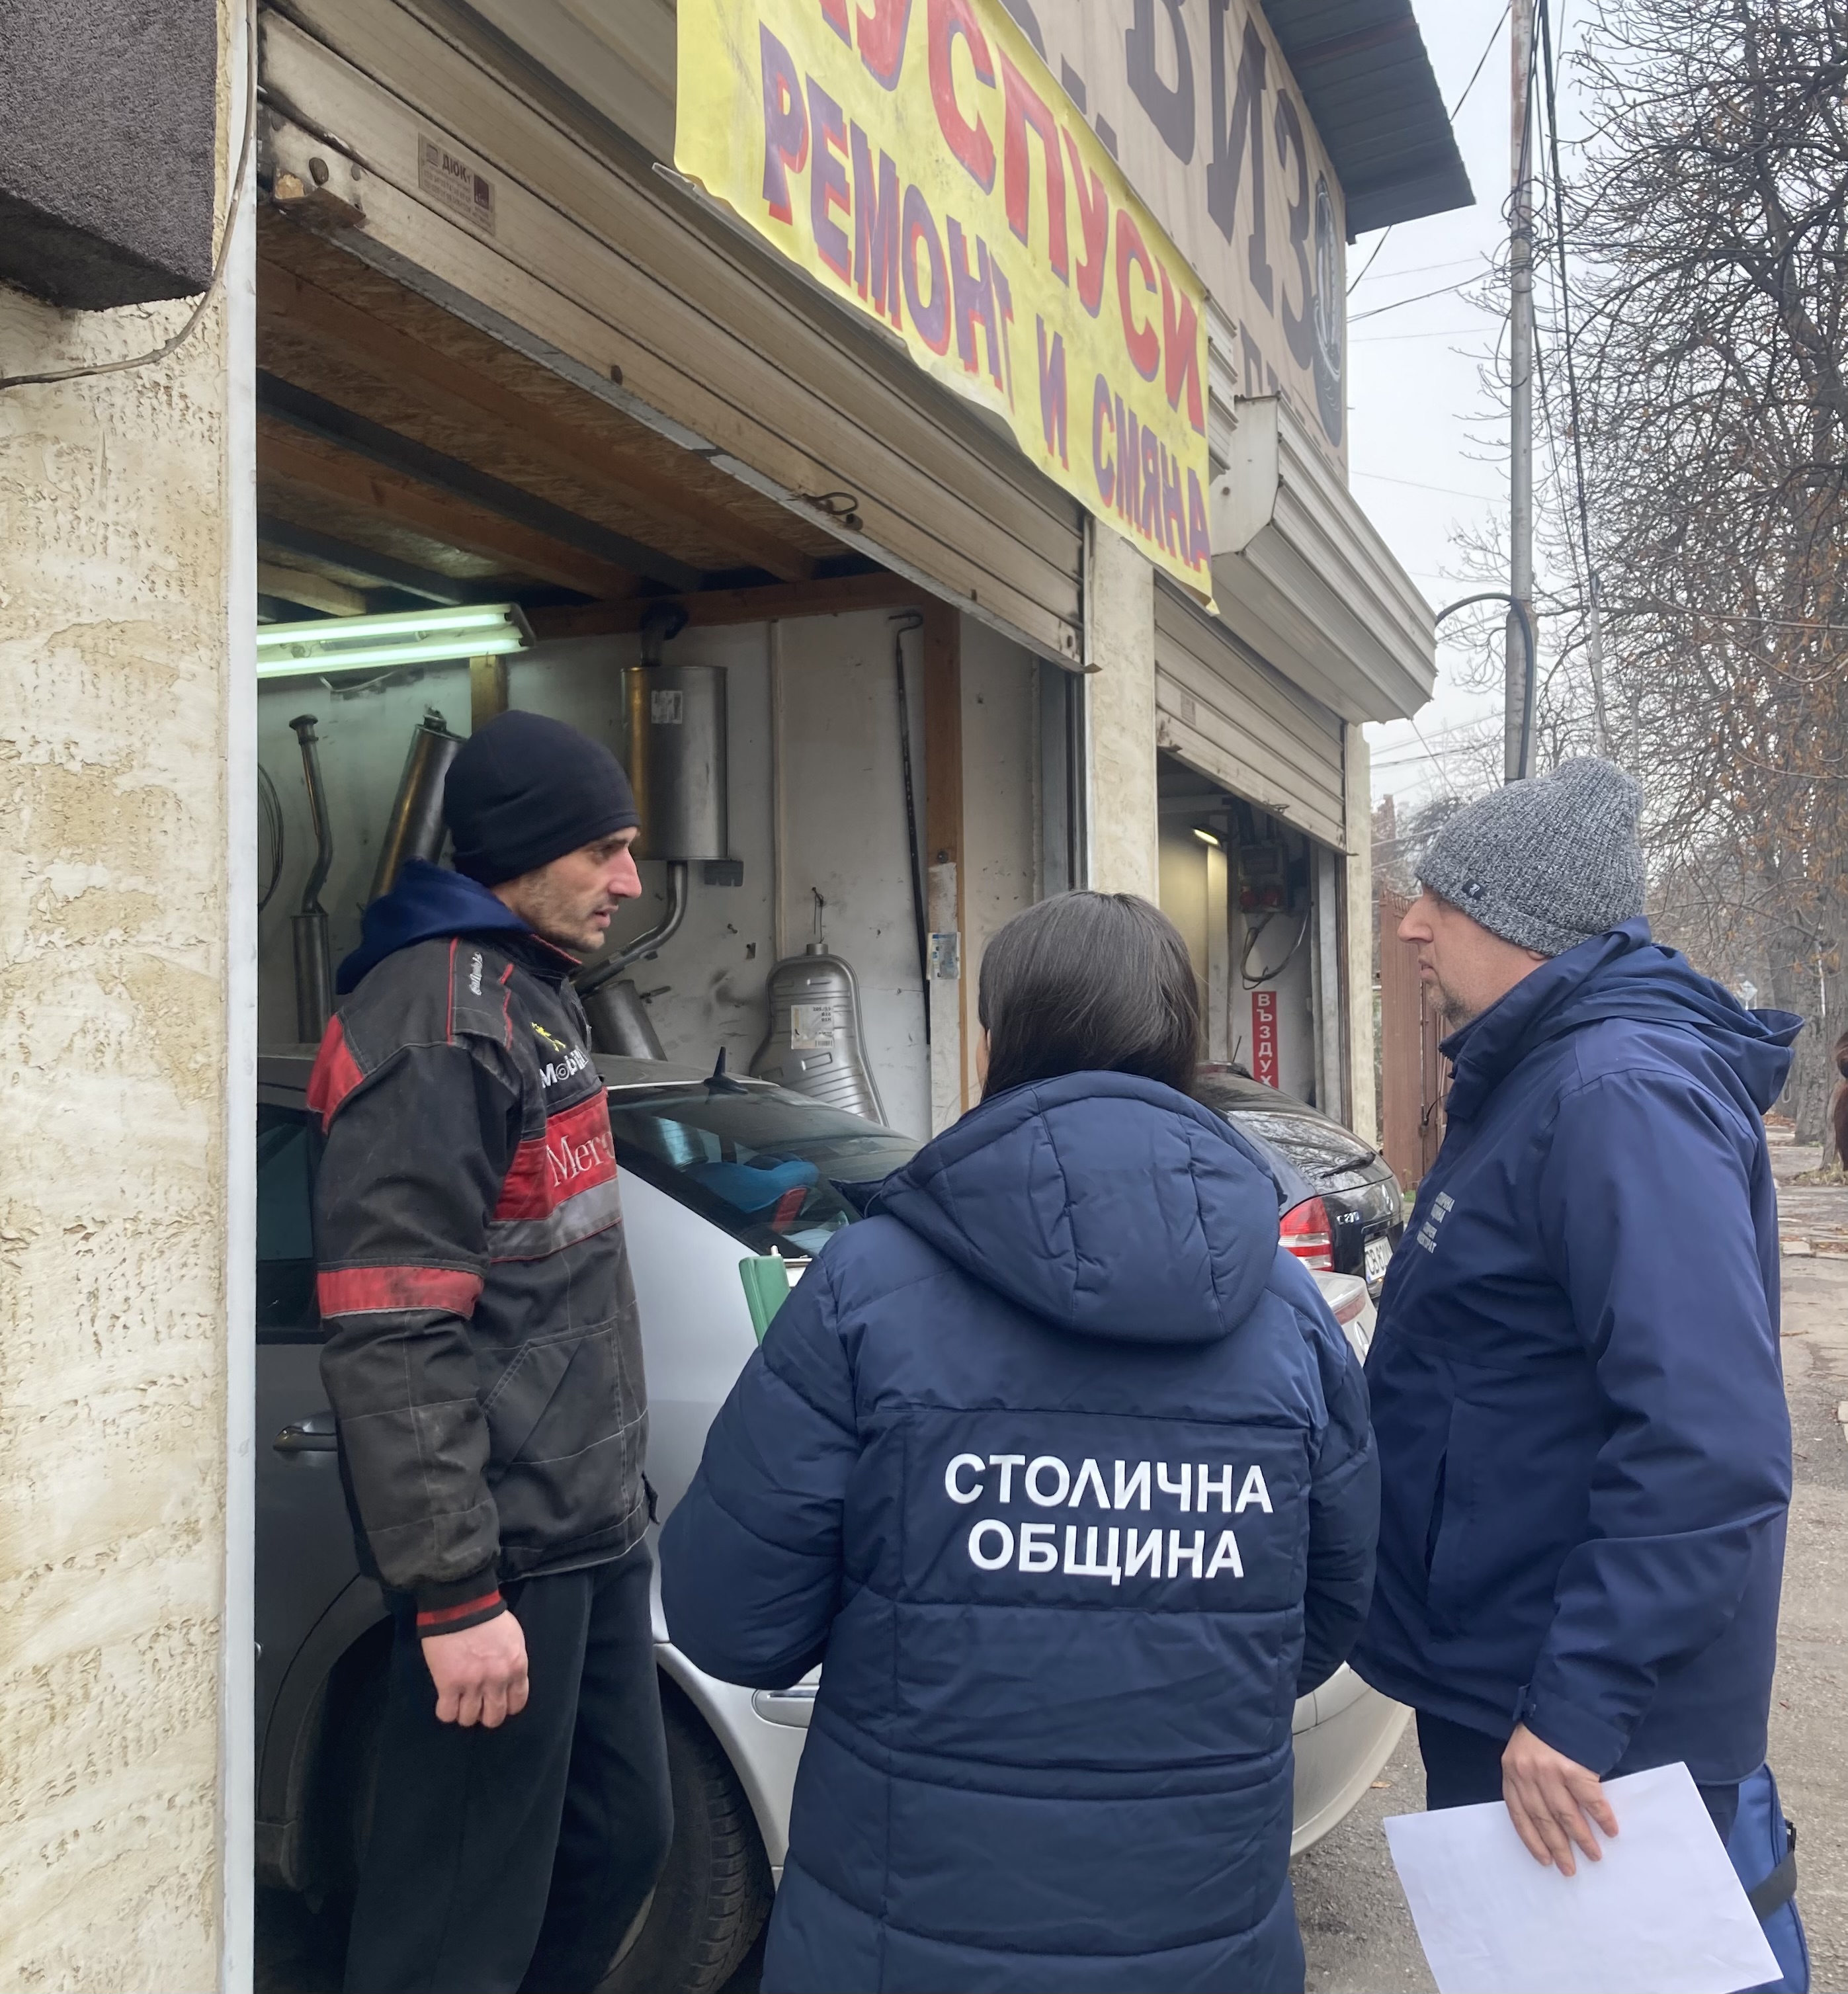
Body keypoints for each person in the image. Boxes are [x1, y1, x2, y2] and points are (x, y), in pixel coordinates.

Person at [658, 891, 1378, 1993]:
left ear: (995, 1042)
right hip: (1199, 1939)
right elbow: (1324, 1620)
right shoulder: (1287, 1313)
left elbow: (730, 1617)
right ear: (1181, 1045)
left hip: (902, 1939)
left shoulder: (863, 1289)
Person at [1355, 759, 1805, 1949]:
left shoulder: (1615, 1095)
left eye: (1440, 900)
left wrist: (1576, 1705)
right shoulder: (1545, 1075)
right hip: (1521, 1684)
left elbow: (1707, 1445)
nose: (1409, 925)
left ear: (1521, 920)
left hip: (1586, 1737)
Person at [310, 710, 673, 1994]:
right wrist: (455, 1590)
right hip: (504, 1549)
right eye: (605, 850)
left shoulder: (532, 995)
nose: (630, 881)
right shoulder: (436, 1022)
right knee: (455, 1928)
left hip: (590, 1530)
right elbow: (394, 1320)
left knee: (618, 1843)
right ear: (523, 850)